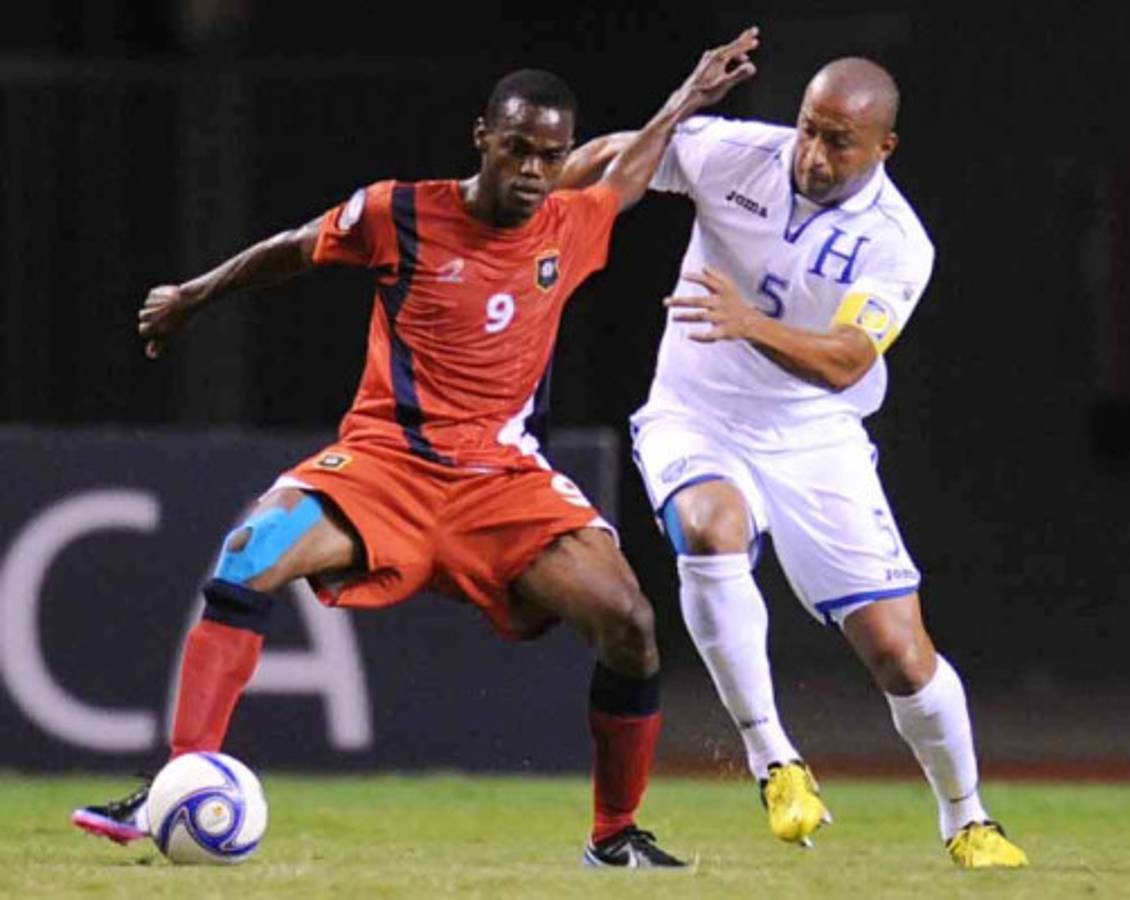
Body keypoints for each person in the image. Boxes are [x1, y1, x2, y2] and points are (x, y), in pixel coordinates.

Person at [70, 27, 760, 869]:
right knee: (249, 553)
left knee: (629, 623)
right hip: (385, 464)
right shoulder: (398, 211)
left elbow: (627, 175)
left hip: (503, 481)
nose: (533, 171)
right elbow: (291, 249)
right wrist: (192, 295)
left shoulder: (569, 225)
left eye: (549, 155)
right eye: (517, 150)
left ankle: (614, 836)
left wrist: (687, 95)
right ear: (483, 138)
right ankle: (176, 781)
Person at [623, 57, 1028, 868]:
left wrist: (749, 323)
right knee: (709, 528)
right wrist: (674, 107)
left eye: (839, 142)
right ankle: (773, 759)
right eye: (809, 128)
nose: (812, 153)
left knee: (899, 654)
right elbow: (610, 171)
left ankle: (966, 817)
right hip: (693, 414)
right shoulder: (736, 152)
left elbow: (846, 359)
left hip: (814, 436)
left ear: (884, 146)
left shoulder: (897, 242)